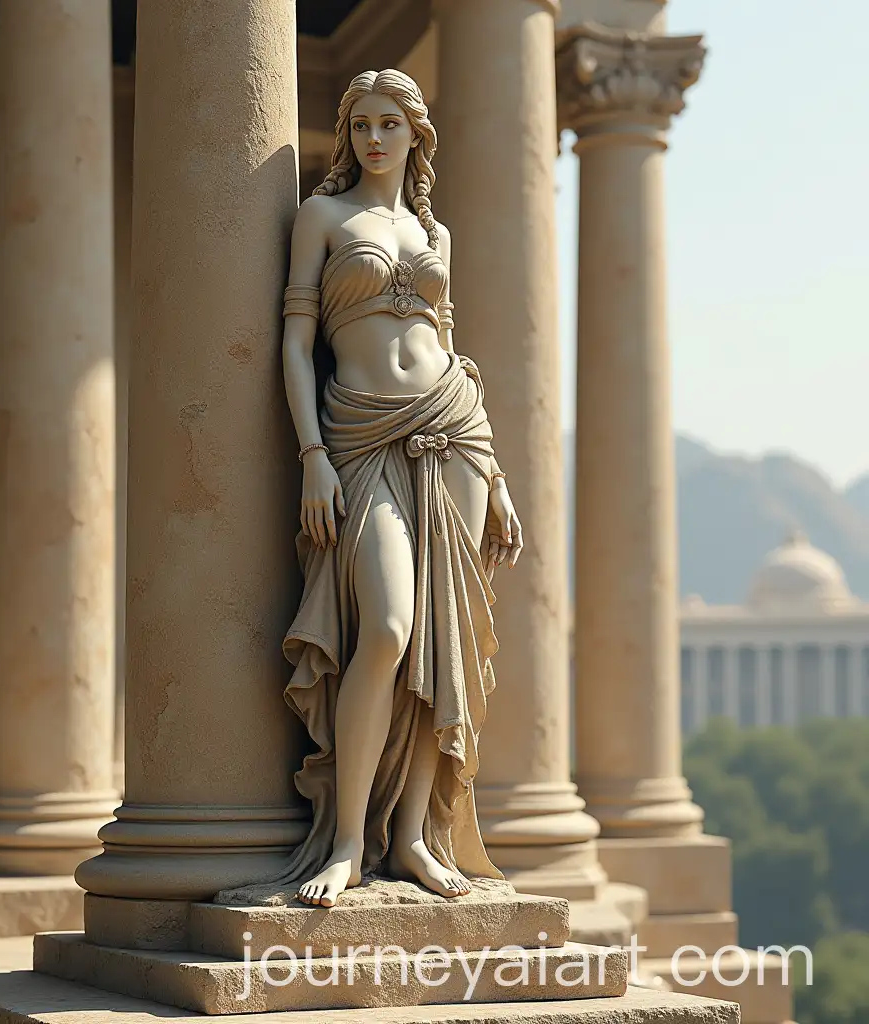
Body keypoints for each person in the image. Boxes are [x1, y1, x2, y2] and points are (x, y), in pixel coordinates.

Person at [279, 69, 522, 908]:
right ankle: (348, 841)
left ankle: (413, 837)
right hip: (358, 437)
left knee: (441, 643)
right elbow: (295, 340)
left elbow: (447, 347)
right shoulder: (323, 216)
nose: (373, 139)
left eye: (389, 124)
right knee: (384, 627)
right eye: (359, 125)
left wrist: (495, 476)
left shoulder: (434, 232)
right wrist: (311, 451)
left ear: (416, 135)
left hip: (454, 431)